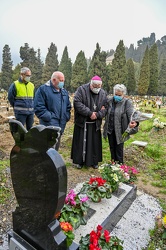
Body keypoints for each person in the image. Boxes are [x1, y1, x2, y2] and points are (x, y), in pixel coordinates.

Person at [71, 75, 107, 169]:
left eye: (99, 87)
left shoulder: (103, 93)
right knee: (81, 144)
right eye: (95, 87)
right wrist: (89, 113)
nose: (97, 89)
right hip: (83, 122)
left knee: (94, 144)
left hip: (95, 123)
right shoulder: (81, 90)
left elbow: (106, 107)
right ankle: (80, 161)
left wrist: (98, 114)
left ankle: (94, 161)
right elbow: (77, 103)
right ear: (91, 85)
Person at [34, 71, 71, 150]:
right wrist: (49, 117)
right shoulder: (43, 90)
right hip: (49, 125)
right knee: (47, 149)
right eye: (61, 80)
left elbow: (68, 106)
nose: (62, 82)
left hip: (61, 124)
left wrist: (66, 116)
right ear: (54, 80)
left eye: (63, 80)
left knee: (56, 148)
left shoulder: (64, 92)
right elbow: (39, 107)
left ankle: (53, 161)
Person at [103, 84, 138, 164]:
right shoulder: (109, 101)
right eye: (116, 94)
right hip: (110, 129)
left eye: (119, 95)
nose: (117, 96)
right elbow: (105, 111)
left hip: (120, 130)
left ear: (123, 94)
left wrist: (134, 122)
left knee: (119, 149)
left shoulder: (127, 103)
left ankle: (120, 166)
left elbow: (131, 114)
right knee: (112, 147)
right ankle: (113, 164)